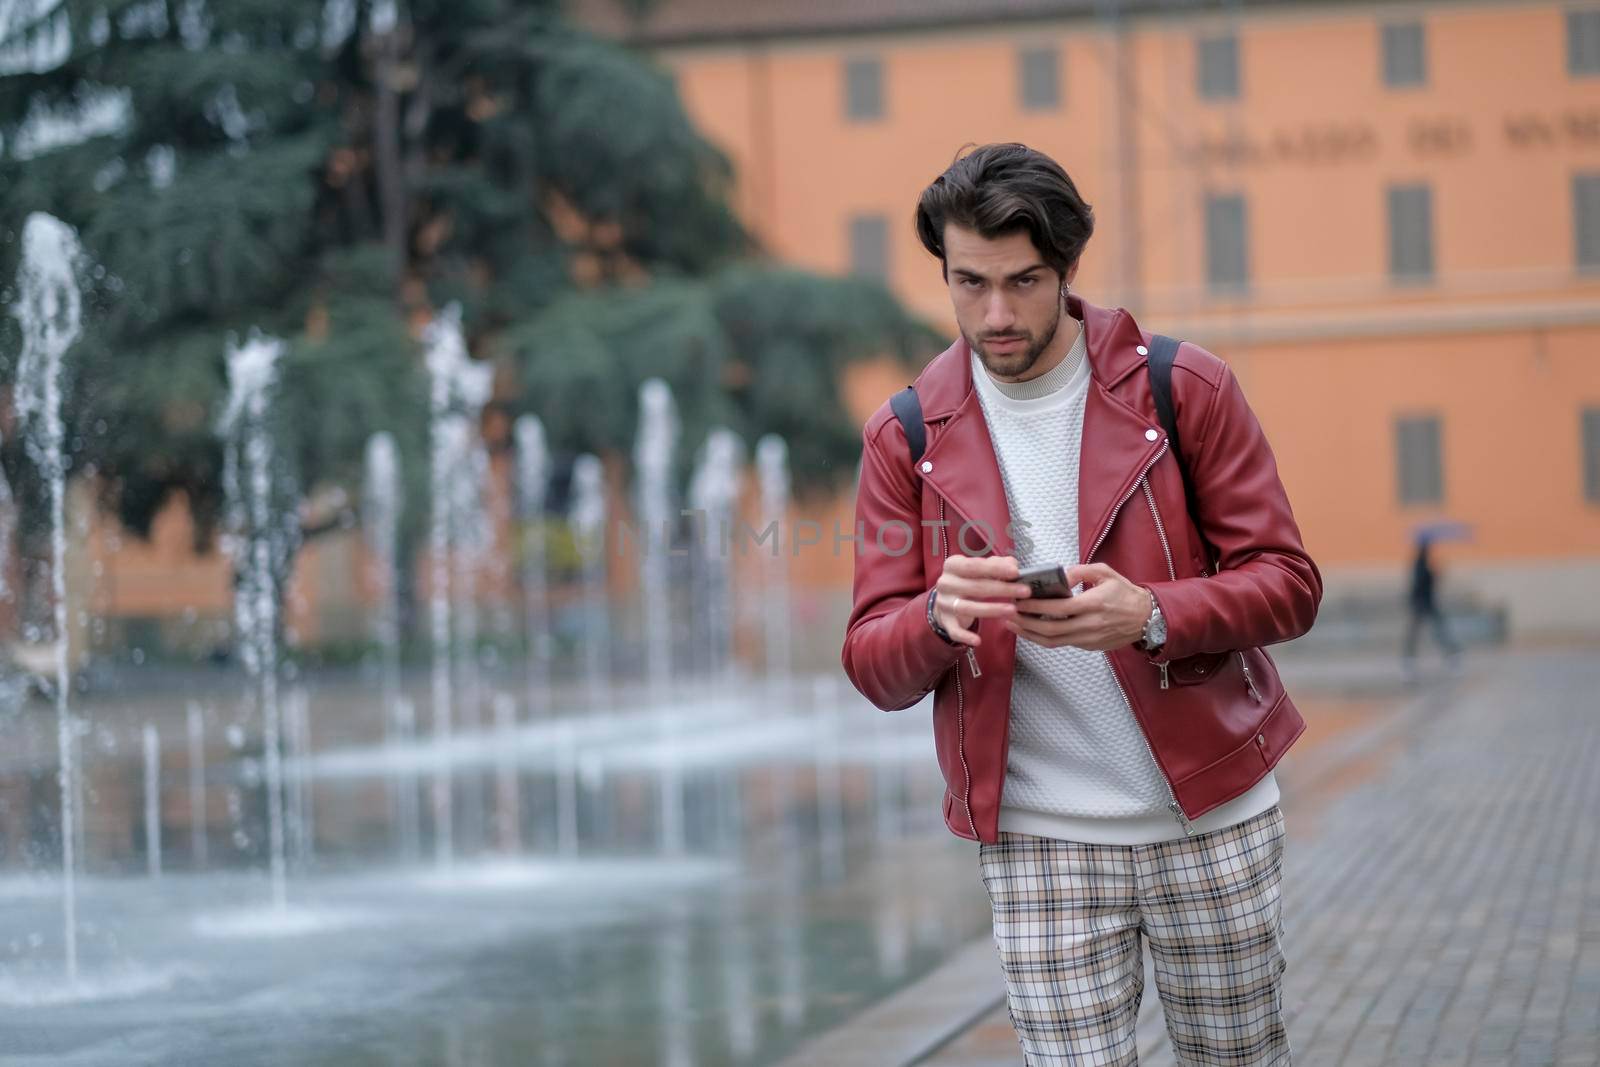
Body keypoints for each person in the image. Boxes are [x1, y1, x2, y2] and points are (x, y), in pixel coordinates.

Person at [840, 143, 1322, 1065]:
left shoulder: (1186, 388)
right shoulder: (905, 435)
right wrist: (937, 617)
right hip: (1038, 838)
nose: (995, 313)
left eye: (1023, 281)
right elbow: (870, 658)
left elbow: (1289, 583)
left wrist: (1152, 614)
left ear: (1067, 266)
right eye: (968, 282)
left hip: (1210, 816)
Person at [1403, 536, 1460, 679]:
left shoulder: (1423, 565)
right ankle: (1409, 657)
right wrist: (1432, 573)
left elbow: (1429, 584)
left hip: (1426, 603)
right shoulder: (1420, 565)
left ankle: (1451, 653)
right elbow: (1420, 584)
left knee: (1437, 629)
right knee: (1429, 630)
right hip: (1422, 603)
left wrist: (1435, 573)